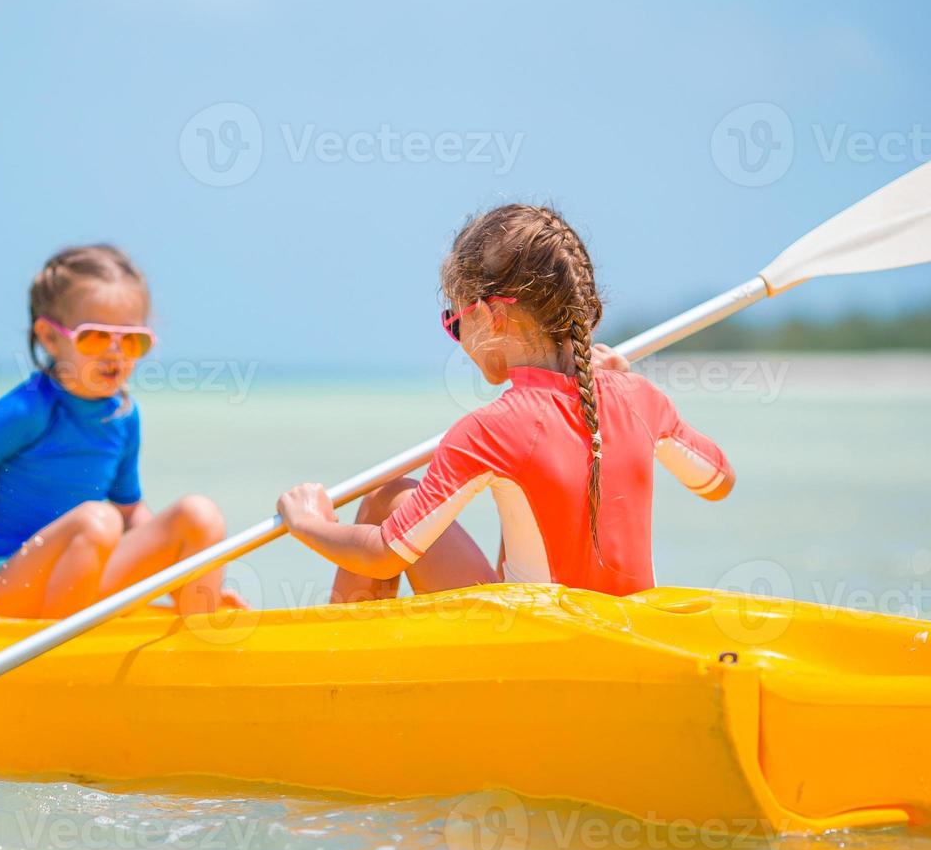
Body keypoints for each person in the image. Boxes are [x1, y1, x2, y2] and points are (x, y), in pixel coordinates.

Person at [276, 204, 735, 601]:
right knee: (481, 501)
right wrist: (629, 384)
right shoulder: (639, 398)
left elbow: (383, 554)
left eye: (455, 323)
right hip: (621, 638)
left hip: (533, 650)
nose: (457, 340)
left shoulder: (490, 429)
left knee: (385, 497)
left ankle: (347, 682)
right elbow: (718, 482)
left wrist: (309, 523)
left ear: (493, 317)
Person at [0, 243, 243, 619]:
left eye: (132, 340)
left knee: (201, 515)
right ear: (50, 338)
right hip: (5, 592)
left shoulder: (122, 416)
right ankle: (62, 653)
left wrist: (193, 577)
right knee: (98, 521)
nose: (115, 352)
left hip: (80, 586)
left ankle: (199, 631)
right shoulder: (28, 410)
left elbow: (131, 511)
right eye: (96, 337)